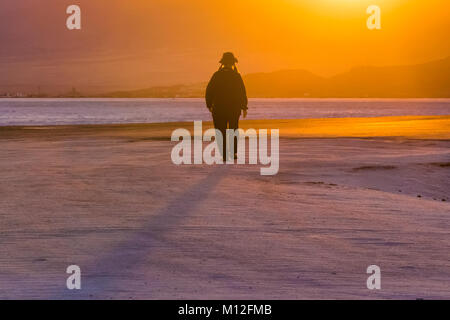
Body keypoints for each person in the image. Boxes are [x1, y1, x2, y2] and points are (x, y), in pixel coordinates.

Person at [205, 52, 248, 161]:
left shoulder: (216, 75)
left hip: (218, 109)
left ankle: (224, 154)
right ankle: (233, 153)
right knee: (233, 130)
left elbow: (209, 91)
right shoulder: (236, 76)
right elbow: (242, 93)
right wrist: (244, 107)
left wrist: (209, 105)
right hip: (234, 109)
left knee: (220, 131)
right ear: (233, 63)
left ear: (223, 63)